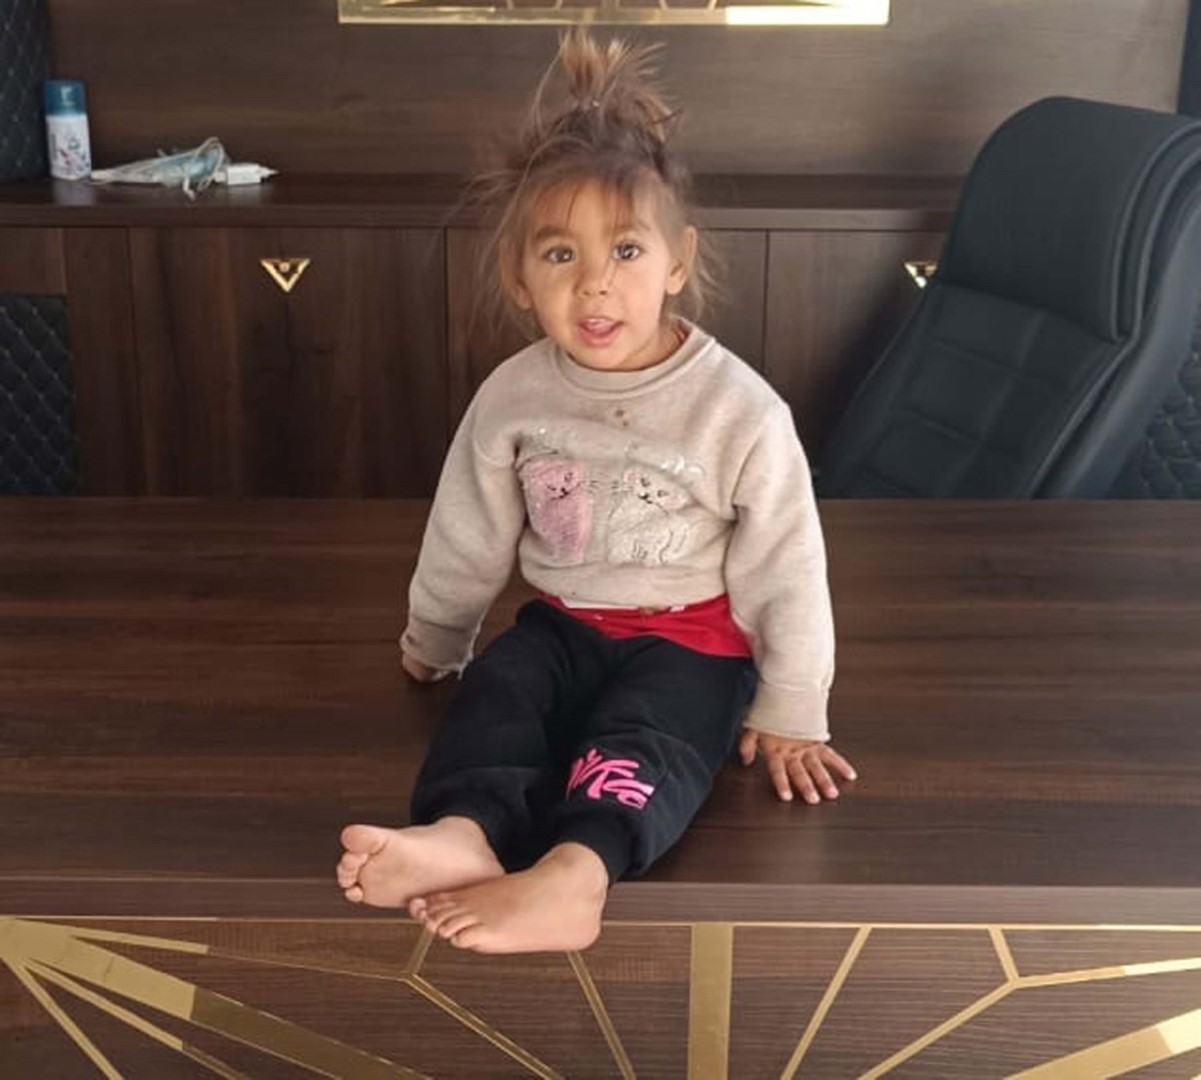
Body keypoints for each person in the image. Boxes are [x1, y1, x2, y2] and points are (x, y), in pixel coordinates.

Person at [336, 28, 857, 955]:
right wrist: (436, 639)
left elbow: (786, 565)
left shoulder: (738, 409)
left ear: (676, 260)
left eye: (623, 250)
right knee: (497, 694)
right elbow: (466, 532)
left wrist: (790, 708)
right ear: (518, 275)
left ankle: (576, 874)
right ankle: (464, 834)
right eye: (558, 256)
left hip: (694, 642)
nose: (593, 287)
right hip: (564, 624)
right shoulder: (514, 396)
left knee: (645, 735)